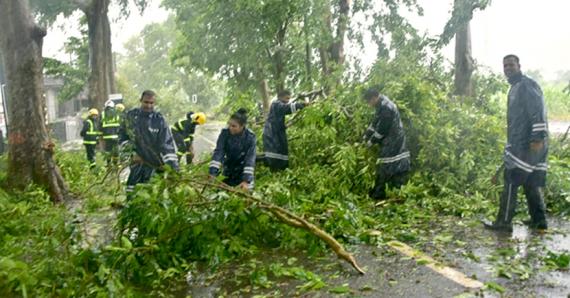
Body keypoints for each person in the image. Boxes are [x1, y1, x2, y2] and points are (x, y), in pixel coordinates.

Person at [484, 55, 548, 232]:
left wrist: (537, 137)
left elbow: (538, 110)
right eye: (505, 66)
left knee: (511, 179)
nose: (507, 68)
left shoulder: (527, 85)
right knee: (531, 180)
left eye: (511, 65)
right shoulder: (515, 87)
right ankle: (539, 220)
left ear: (519, 65)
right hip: (524, 143)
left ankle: (504, 222)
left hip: (528, 144)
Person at [119, 90, 179, 197]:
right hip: (137, 163)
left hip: (156, 165)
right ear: (140, 101)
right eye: (146, 102)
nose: (148, 105)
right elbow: (122, 137)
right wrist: (132, 154)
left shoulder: (159, 120)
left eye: (151, 103)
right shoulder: (131, 117)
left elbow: (167, 145)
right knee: (132, 192)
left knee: (154, 195)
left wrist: (172, 168)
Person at [362, 87, 410, 201]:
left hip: (394, 138)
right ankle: (388, 191)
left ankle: (383, 192)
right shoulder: (381, 104)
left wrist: (371, 142)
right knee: (388, 163)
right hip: (391, 138)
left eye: (369, 102)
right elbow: (375, 123)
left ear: (374, 98)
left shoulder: (386, 108)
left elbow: (382, 129)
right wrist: (366, 135)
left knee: (387, 163)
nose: (369, 104)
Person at [209, 108, 256, 191]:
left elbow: (250, 159)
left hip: (243, 172)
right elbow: (219, 153)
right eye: (229, 125)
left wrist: (246, 180)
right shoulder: (225, 134)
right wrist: (212, 173)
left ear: (242, 126)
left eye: (234, 126)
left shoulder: (250, 137)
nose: (230, 128)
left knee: (246, 193)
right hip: (228, 170)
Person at [262, 90, 308, 171]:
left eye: (289, 99)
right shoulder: (276, 104)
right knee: (275, 153)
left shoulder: (277, 105)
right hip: (272, 133)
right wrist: (301, 105)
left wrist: (284, 126)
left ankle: (281, 171)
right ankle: (276, 172)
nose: (288, 101)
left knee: (281, 150)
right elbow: (286, 108)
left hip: (276, 131)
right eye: (287, 98)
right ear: (281, 97)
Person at [101, 100, 121, 165]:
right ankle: (116, 164)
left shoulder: (103, 113)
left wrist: (101, 135)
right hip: (116, 136)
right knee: (116, 150)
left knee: (108, 150)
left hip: (107, 136)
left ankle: (108, 163)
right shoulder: (117, 113)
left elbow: (100, 125)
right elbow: (120, 124)